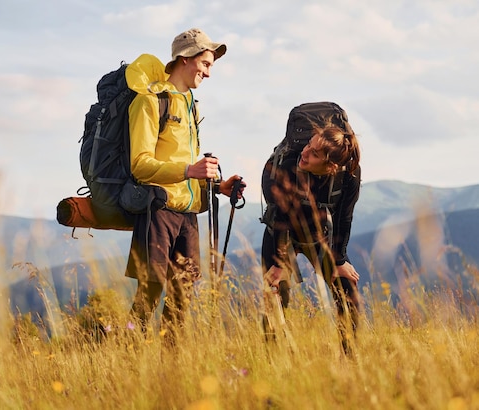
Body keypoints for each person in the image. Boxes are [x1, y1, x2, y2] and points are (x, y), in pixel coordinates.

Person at [124, 28, 245, 343]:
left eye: (210, 66)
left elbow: (188, 167)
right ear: (184, 59)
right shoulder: (150, 102)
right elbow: (140, 165)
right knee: (149, 292)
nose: (208, 72)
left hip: (188, 214)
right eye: (205, 64)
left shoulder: (191, 104)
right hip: (158, 209)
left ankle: (170, 368)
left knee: (182, 298)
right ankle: (123, 352)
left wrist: (218, 187)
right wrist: (190, 169)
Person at [261, 124, 361, 354]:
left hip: (319, 235)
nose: (305, 152)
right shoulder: (285, 165)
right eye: (309, 144)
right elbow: (279, 216)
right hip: (282, 233)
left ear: (331, 167)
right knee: (275, 294)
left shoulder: (349, 176)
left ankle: (350, 359)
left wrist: (340, 259)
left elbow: (344, 217)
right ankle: (275, 360)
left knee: (348, 293)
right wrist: (278, 264)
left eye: (314, 153)